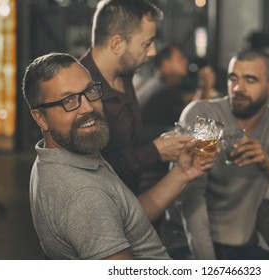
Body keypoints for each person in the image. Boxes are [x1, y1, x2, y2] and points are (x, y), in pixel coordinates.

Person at [22, 52, 218, 260]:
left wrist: (182, 173)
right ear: (40, 118)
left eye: (90, 91)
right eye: (69, 100)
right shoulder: (84, 195)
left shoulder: (58, 154)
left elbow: (126, 218)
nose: (88, 107)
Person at [161, 49, 269, 259]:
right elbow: (192, 198)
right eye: (233, 79)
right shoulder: (205, 115)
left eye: (250, 80)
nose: (238, 88)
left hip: (243, 247)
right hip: (187, 244)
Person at [79, 0, 190, 195]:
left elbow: (124, 142)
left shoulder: (125, 72)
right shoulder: (78, 92)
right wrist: (153, 152)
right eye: (146, 43)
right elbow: (84, 174)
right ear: (117, 44)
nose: (153, 51)